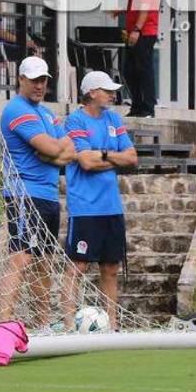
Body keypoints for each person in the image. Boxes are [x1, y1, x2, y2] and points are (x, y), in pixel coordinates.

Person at [0, 56, 76, 326]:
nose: (39, 86)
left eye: (43, 80)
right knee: (21, 256)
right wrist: (54, 152)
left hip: (48, 196)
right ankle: (4, 320)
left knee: (44, 260)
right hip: (24, 194)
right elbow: (56, 148)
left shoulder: (48, 114)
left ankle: (41, 323)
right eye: (34, 80)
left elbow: (70, 150)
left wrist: (52, 155)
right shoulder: (17, 110)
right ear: (20, 79)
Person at [61, 70, 139, 330]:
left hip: (111, 207)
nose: (111, 94)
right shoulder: (75, 121)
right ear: (91, 92)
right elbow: (85, 161)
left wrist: (102, 155)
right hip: (85, 206)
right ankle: (70, 324)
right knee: (78, 266)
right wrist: (112, 156)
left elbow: (132, 158)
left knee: (111, 268)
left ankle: (113, 325)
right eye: (106, 90)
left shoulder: (114, 119)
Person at [120, 0, 158, 117]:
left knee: (143, 70)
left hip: (144, 32)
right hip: (133, 32)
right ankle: (137, 105)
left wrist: (137, 29)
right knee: (129, 70)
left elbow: (145, 6)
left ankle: (148, 108)